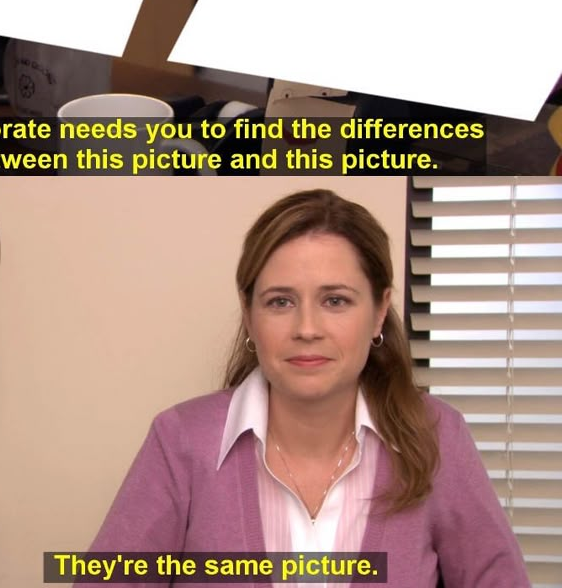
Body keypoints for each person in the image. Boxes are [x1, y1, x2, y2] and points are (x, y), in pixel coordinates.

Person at [86, 189, 530, 587]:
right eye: (280, 302)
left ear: (379, 312)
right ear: (249, 315)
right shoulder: (180, 440)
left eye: (335, 301)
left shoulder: (438, 436)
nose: (307, 328)